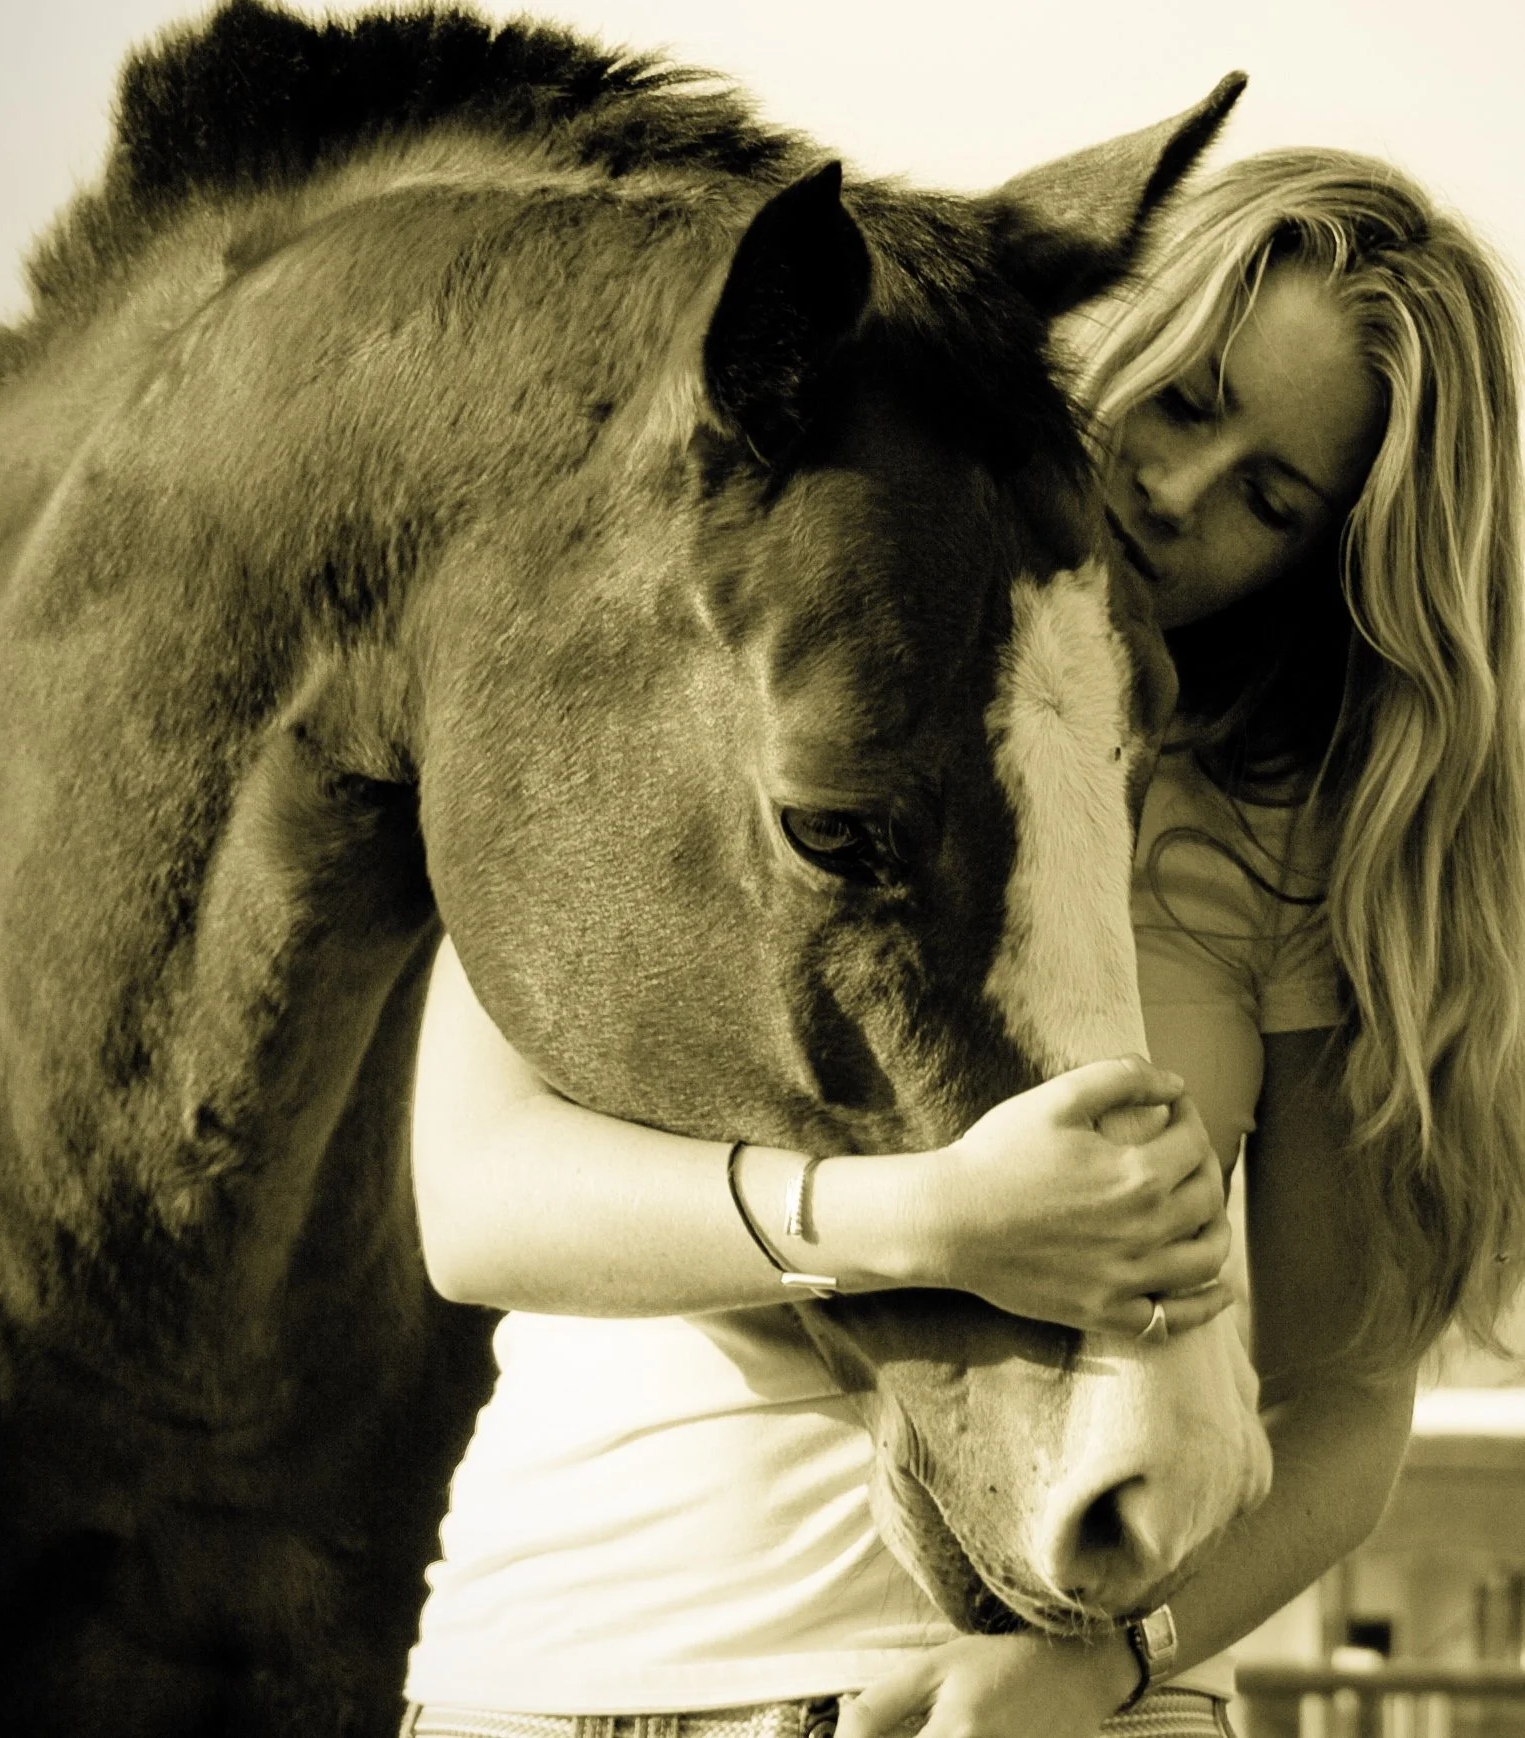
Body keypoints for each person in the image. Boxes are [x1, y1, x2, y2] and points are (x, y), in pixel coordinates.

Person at [400, 149, 1525, 1738]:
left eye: (1269, 497)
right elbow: (477, 1198)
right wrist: (932, 1220)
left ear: (1323, 550)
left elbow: (1341, 1409)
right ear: (1111, 330)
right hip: (566, 1661)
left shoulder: (1298, 841)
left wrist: (1095, 1666)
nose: (1178, 491)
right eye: (1184, 401)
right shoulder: (728, 662)